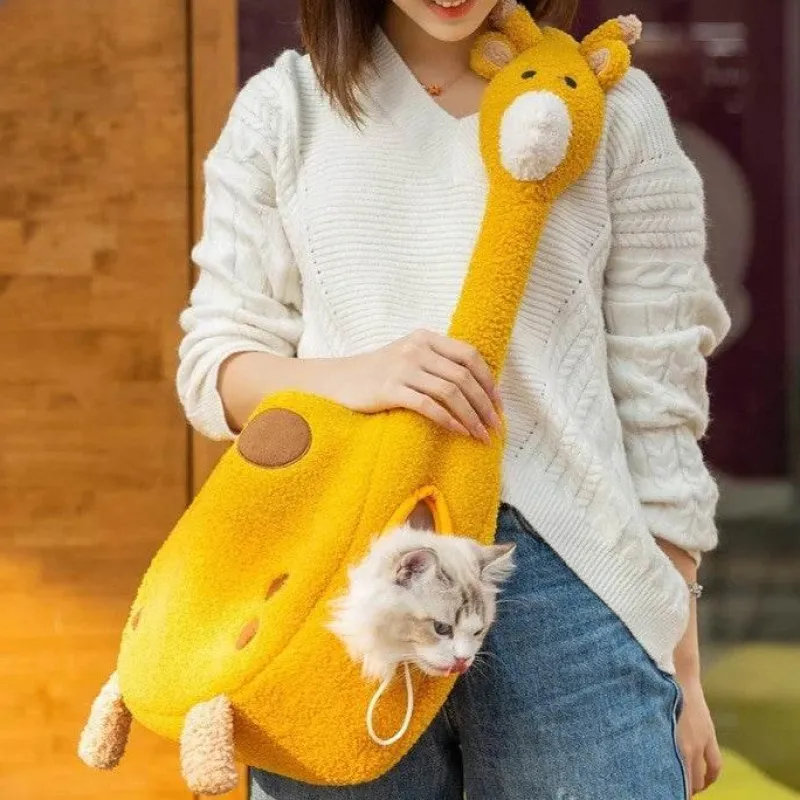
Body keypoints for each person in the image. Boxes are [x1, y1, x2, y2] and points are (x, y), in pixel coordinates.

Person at [177, 0, 731, 797]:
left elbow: (661, 399)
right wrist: (359, 375)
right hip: (345, 586)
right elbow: (215, 365)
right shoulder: (284, 108)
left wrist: (684, 664)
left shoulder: (611, 107)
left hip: (575, 583)